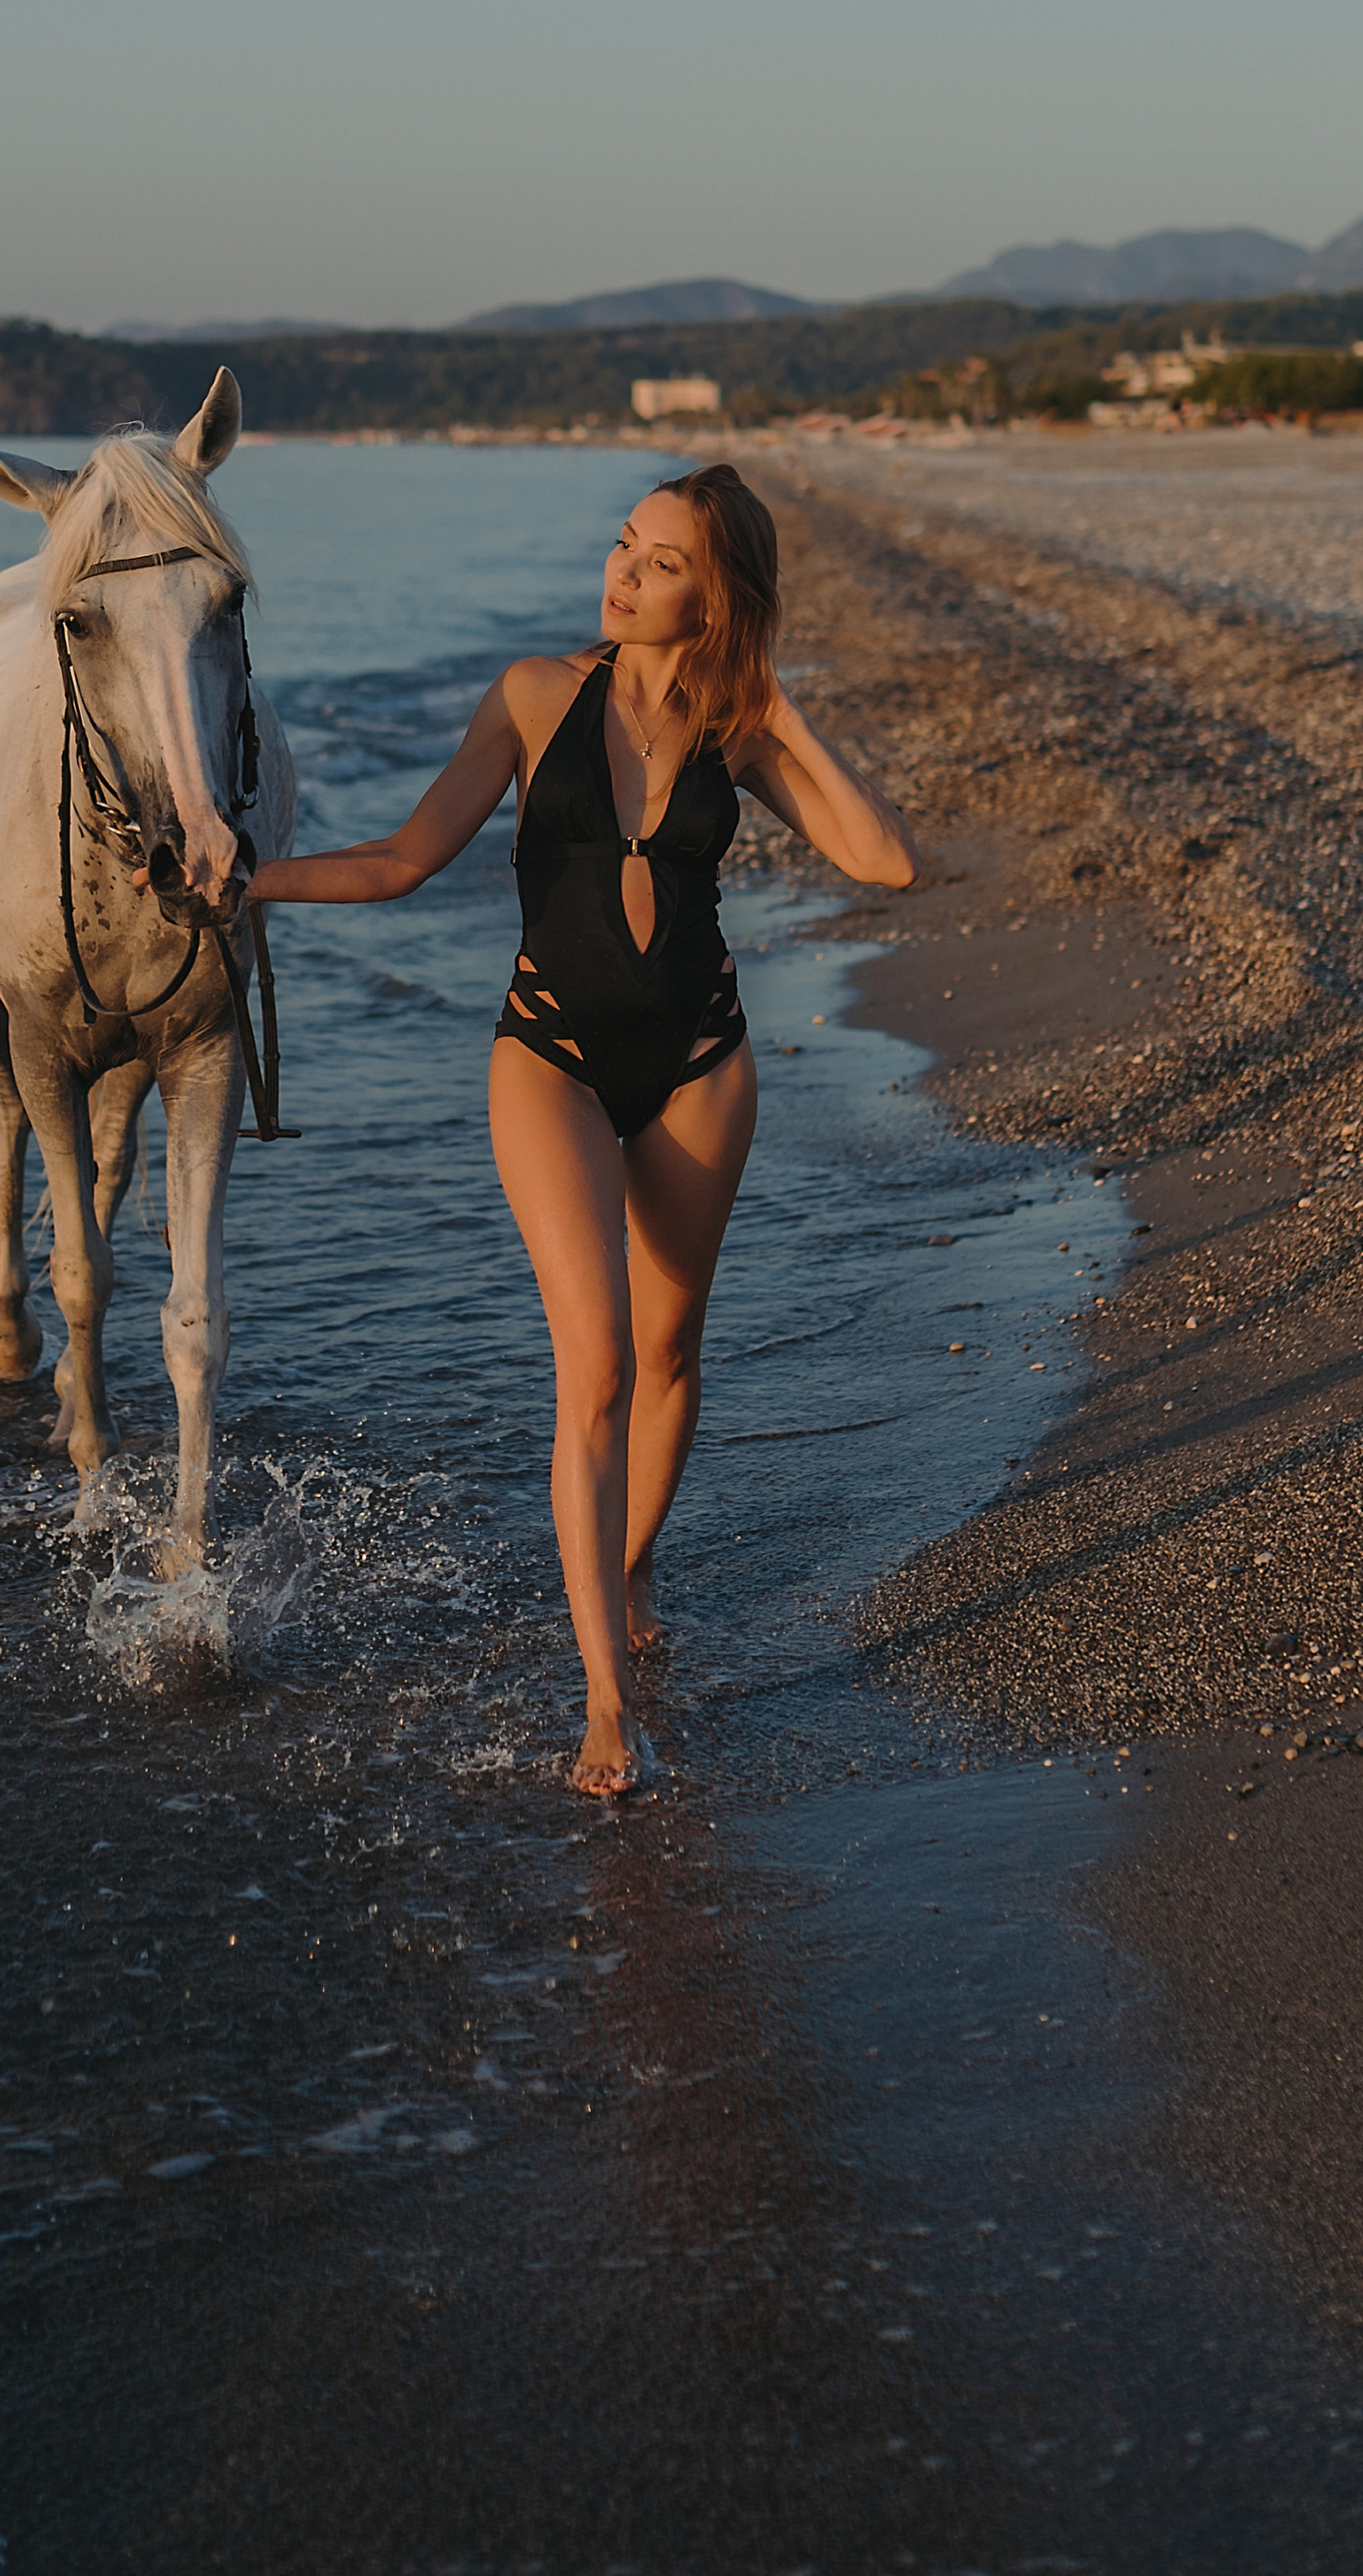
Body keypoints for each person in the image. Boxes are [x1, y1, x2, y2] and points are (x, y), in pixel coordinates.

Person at [246, 466, 918, 1796]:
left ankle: (632, 1554)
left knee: (670, 1350)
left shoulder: (744, 728)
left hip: (700, 1063)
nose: (623, 570)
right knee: (600, 1362)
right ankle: (607, 1699)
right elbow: (398, 857)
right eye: (625, 543)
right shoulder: (532, 695)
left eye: (662, 561)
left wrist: (779, 704)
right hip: (547, 1054)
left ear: (717, 598)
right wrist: (246, 879)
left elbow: (885, 859)